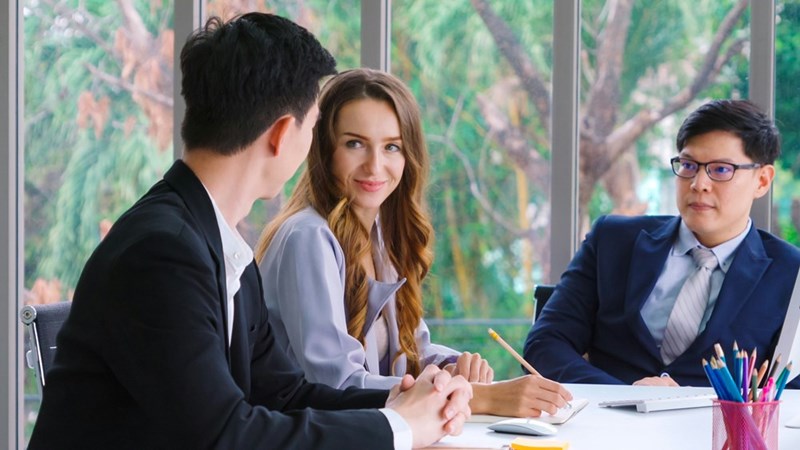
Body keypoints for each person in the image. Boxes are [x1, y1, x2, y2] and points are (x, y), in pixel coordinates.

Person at [28, 14, 472, 450]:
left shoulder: (218, 244)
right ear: (281, 133)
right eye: (314, 126)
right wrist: (399, 429)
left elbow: (283, 395)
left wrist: (399, 401)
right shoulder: (162, 253)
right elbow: (225, 436)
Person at [256, 68, 572, 418]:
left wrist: (454, 367)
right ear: (325, 150)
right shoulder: (308, 238)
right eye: (354, 143)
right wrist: (479, 398)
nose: (375, 166)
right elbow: (336, 382)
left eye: (392, 147)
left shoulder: (379, 234)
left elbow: (410, 354)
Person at [524, 99, 800, 388]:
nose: (698, 184)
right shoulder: (613, 241)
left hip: (716, 431)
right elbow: (546, 344)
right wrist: (624, 396)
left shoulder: (791, 273)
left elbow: (791, 387)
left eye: (720, 170)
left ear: (762, 180)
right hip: (607, 426)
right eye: (689, 165)